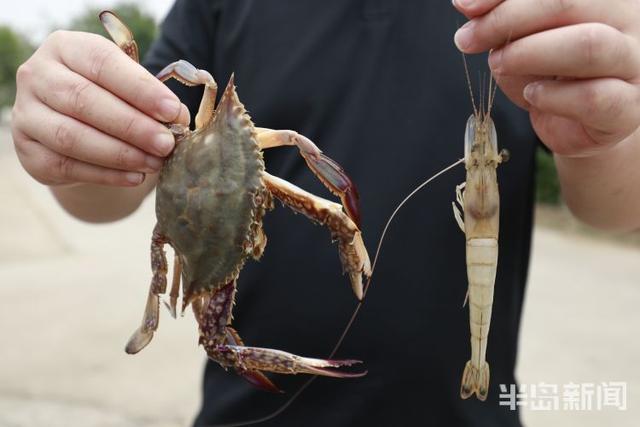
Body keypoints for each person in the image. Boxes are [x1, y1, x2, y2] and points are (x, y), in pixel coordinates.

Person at [11, 0, 640, 425]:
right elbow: (113, 181)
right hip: (247, 414)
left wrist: (609, 128)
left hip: (468, 412)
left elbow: (614, 207)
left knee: (337, 216)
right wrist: (76, 133)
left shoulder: (540, 8)